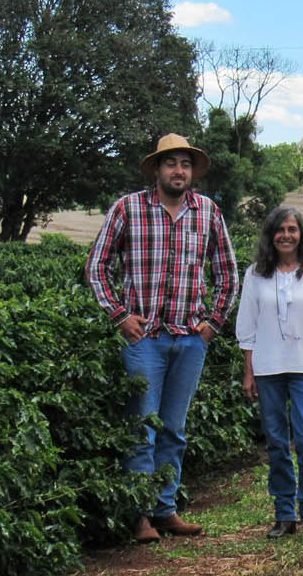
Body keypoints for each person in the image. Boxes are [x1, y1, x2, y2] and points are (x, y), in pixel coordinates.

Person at [86, 133, 239, 543]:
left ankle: (165, 509)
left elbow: (227, 274)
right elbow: (97, 267)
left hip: (189, 339)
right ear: (156, 169)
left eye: (185, 164)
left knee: (174, 428)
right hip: (144, 340)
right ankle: (139, 515)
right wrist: (120, 316)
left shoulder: (207, 212)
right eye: (171, 163)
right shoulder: (128, 209)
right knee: (142, 428)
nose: (179, 171)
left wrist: (212, 325)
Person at [235, 205, 303, 544]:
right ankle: (284, 514)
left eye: (292, 229)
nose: (286, 235)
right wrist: (249, 371)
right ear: (270, 235)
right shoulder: (255, 274)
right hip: (267, 369)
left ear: (301, 234)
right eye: (280, 230)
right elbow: (247, 326)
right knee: (277, 442)